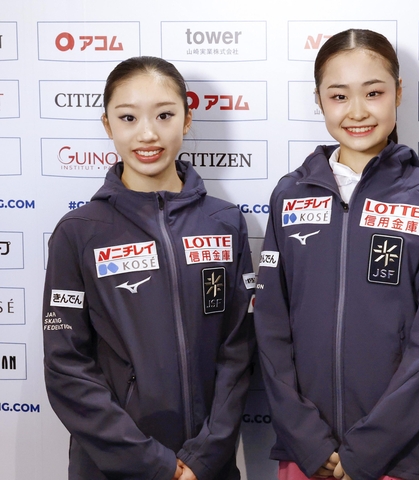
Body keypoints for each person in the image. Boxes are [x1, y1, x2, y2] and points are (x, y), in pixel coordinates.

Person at [253, 29, 419, 480]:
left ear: (398, 93)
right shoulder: (290, 195)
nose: (357, 111)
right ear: (319, 100)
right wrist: (306, 438)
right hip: (307, 453)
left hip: (397, 456)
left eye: (373, 93)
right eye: (338, 96)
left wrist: (369, 448)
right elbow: (270, 327)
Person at [42, 56, 255, 480]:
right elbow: (66, 366)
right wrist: (156, 465)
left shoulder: (225, 222)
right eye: (128, 117)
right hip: (116, 468)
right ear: (107, 125)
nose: (147, 134)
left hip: (207, 467)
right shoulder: (79, 232)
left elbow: (238, 349)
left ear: (187, 119)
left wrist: (205, 456)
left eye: (164, 115)